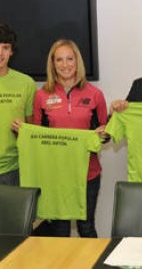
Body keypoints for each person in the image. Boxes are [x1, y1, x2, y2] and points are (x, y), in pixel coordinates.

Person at [28, 39, 108, 237]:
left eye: (70, 59)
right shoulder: (41, 96)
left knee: (86, 227)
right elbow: (37, 138)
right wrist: (22, 131)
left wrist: (105, 134)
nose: (65, 65)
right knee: (60, 230)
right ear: (52, 64)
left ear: (77, 61)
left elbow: (104, 135)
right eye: (59, 60)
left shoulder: (95, 94)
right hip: (56, 176)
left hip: (87, 174)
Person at [0, 23, 37, 185]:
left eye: (5, 47)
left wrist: (25, 129)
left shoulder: (26, 83)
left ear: (11, 51)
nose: (0, 53)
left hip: (13, 169)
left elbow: (33, 127)